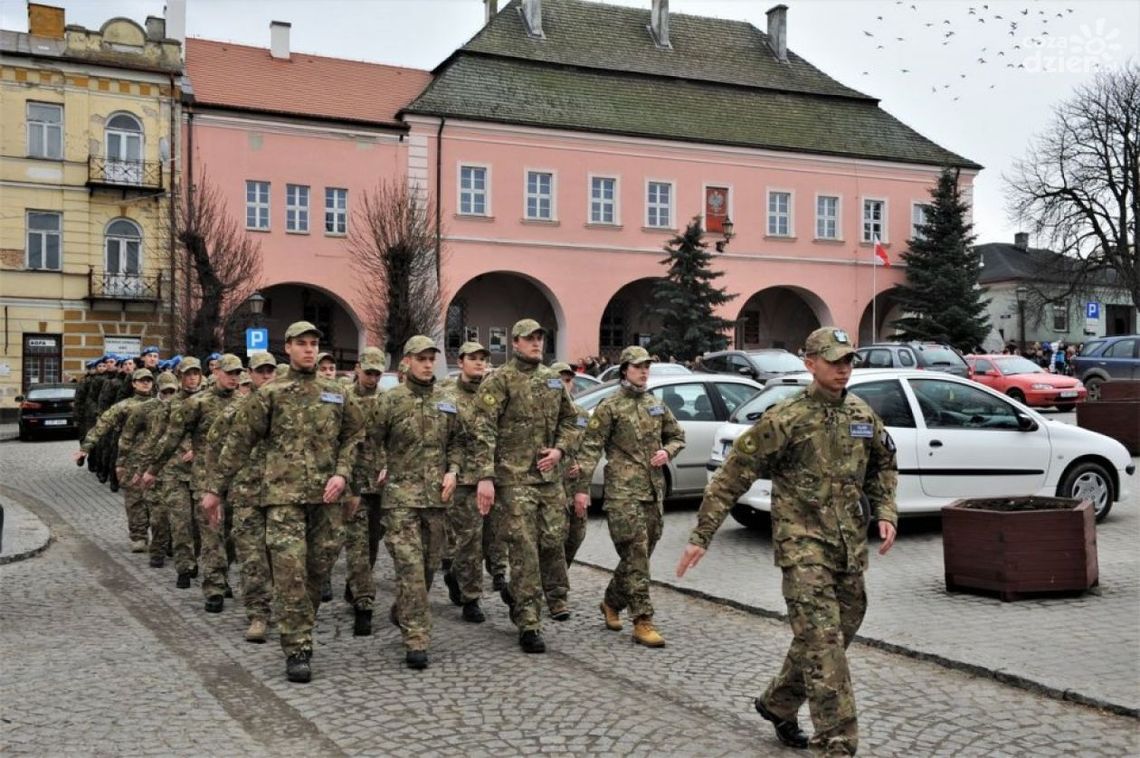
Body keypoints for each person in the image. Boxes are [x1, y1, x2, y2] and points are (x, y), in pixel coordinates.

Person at [676, 326, 898, 756]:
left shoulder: (860, 414)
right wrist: (702, 534)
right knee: (824, 644)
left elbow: (884, 465)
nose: (843, 368)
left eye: (848, 359)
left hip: (849, 547)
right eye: (834, 361)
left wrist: (886, 511)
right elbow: (731, 475)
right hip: (802, 549)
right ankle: (836, 743)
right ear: (810, 364)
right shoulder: (786, 417)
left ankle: (778, 702)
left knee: (838, 629)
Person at [202, 321, 363, 684]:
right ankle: (298, 648)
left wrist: (344, 474)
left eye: (313, 344)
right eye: (301, 344)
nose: (309, 350)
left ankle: (300, 621)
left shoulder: (336, 392)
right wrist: (215, 489)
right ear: (287, 348)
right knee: (290, 572)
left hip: (326, 500)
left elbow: (354, 434)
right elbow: (239, 442)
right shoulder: (271, 394)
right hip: (282, 500)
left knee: (317, 570)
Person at [470, 319, 579, 653]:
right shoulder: (499, 381)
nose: (536, 344)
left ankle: (517, 594)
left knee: (552, 541)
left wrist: (560, 449)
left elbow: (570, 421)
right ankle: (529, 622)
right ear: (514, 343)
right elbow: (483, 430)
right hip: (513, 479)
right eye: (529, 339)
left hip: (547, 480)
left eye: (540, 338)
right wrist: (486, 477)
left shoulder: (551, 381)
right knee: (525, 550)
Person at [573, 347, 685, 647]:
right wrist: (581, 489)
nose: (644, 371)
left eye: (647, 366)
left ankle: (611, 602)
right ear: (625, 370)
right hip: (622, 493)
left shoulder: (655, 404)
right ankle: (642, 620)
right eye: (638, 367)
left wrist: (667, 451)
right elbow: (589, 449)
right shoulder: (610, 407)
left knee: (640, 556)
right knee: (635, 553)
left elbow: (677, 436)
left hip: (652, 492)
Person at [367, 335, 462, 669]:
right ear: (406, 361)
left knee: (429, 568)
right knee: (409, 569)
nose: (426, 364)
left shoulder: (446, 401)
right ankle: (417, 639)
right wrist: (379, 466)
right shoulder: (390, 401)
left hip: (436, 501)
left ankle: (402, 610)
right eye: (420, 358)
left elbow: (458, 443)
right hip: (400, 502)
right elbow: (370, 441)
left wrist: (453, 471)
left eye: (430, 358)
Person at [143, 353, 242, 612]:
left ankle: (223, 573)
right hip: (204, 481)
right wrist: (153, 468)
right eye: (229, 372)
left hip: (237, 482)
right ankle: (214, 587)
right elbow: (172, 437)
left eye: (237, 373)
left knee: (232, 534)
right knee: (211, 535)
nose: (234, 377)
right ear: (217, 372)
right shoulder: (198, 404)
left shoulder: (246, 403)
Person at [204, 351, 277, 643]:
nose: (266, 376)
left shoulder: (288, 409)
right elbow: (214, 449)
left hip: (281, 495)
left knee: (282, 558)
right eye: (261, 371)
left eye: (270, 371)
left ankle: (287, 610)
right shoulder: (235, 412)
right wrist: (214, 490)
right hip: (246, 495)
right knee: (252, 559)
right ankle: (258, 615)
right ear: (251, 374)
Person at [441, 340, 496, 623]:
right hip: (461, 480)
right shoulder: (445, 394)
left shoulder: (493, 394)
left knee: (488, 542)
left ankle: (454, 573)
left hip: (491, 477)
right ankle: (471, 598)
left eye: (483, 359)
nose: (479, 363)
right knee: (469, 541)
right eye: (473, 358)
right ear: (460, 361)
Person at [73, 368, 157, 551]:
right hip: (131, 460)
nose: (145, 383)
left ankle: (161, 539)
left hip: (156, 461)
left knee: (159, 502)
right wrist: (86, 447)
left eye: (148, 380)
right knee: (135, 500)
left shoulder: (161, 405)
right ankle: (139, 536)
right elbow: (103, 424)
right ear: (134, 383)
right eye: (141, 380)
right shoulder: (125, 406)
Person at [138, 357, 203, 587]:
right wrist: (146, 468)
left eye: (196, 373)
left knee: (199, 524)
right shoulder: (170, 405)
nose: (192, 377)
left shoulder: (208, 401)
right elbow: (156, 438)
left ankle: (195, 559)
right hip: (174, 472)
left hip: (201, 472)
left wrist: (198, 449)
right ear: (180, 377)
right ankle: (184, 568)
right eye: (188, 374)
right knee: (180, 522)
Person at [342, 347, 387, 636]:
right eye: (368, 371)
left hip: (381, 484)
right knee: (357, 543)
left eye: (376, 373)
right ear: (358, 368)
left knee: (373, 541)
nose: (371, 378)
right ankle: (364, 601)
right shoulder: (343, 398)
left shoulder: (387, 400)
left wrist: (389, 465)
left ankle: (357, 582)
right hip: (354, 482)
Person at [117, 371, 180, 567]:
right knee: (156, 510)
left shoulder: (185, 407)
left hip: (178, 467)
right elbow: (140, 440)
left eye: (172, 391)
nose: (169, 396)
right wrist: (126, 465)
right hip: (153, 465)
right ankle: (152, 544)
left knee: (177, 510)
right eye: (165, 391)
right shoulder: (147, 409)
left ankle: (171, 546)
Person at [550, 362, 591, 567]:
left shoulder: (581, 415)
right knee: (552, 538)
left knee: (577, 534)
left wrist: (582, 465)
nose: (565, 384)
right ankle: (552, 583)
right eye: (559, 380)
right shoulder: (545, 415)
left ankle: (560, 572)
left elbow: (590, 448)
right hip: (551, 486)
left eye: (567, 380)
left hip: (575, 485)